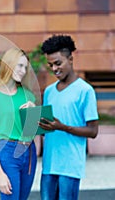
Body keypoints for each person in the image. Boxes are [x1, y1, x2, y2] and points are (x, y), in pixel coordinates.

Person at [39, 34, 99, 200]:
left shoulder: (85, 90)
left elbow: (93, 131)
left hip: (70, 166)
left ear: (70, 59)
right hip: (49, 165)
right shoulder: (49, 91)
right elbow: (47, 128)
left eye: (58, 63)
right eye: (50, 65)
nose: (54, 69)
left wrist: (63, 127)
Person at [0, 47, 38, 200]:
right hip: (7, 152)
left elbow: (31, 131)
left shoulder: (28, 95)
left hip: (29, 152)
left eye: (25, 67)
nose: (23, 70)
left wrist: (34, 113)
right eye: (20, 65)